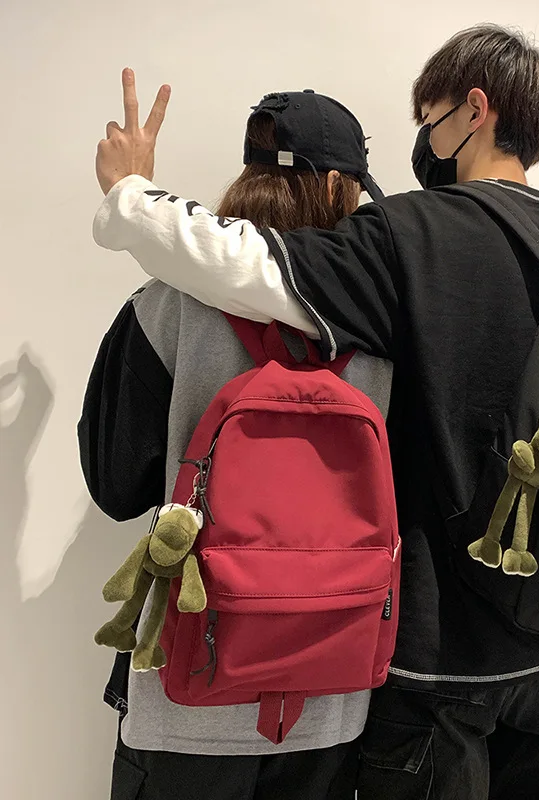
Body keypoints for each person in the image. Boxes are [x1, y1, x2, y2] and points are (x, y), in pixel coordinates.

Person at [93, 25, 539, 799]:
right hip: (424, 671)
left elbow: (117, 480)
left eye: (429, 118)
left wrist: (130, 194)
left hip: (230, 686)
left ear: (475, 110)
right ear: (340, 187)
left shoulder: (391, 253)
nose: (425, 141)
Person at [80, 89, 392, 800]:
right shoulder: (382, 329)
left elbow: (114, 482)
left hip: (187, 692)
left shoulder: (166, 304)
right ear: (339, 188)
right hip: (330, 700)